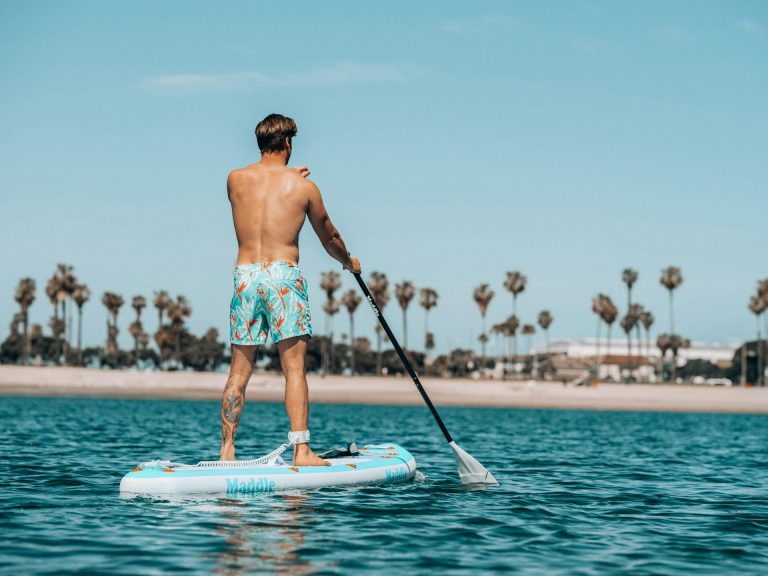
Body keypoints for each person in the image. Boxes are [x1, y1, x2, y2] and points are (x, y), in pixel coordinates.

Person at [220, 113, 361, 466]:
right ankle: (301, 450)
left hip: (246, 275)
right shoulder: (304, 188)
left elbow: (263, 191)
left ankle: (226, 450)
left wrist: (286, 177)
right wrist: (349, 262)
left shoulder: (235, 180)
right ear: (287, 143)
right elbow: (329, 237)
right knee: (293, 369)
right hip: (283, 277)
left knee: (239, 370)